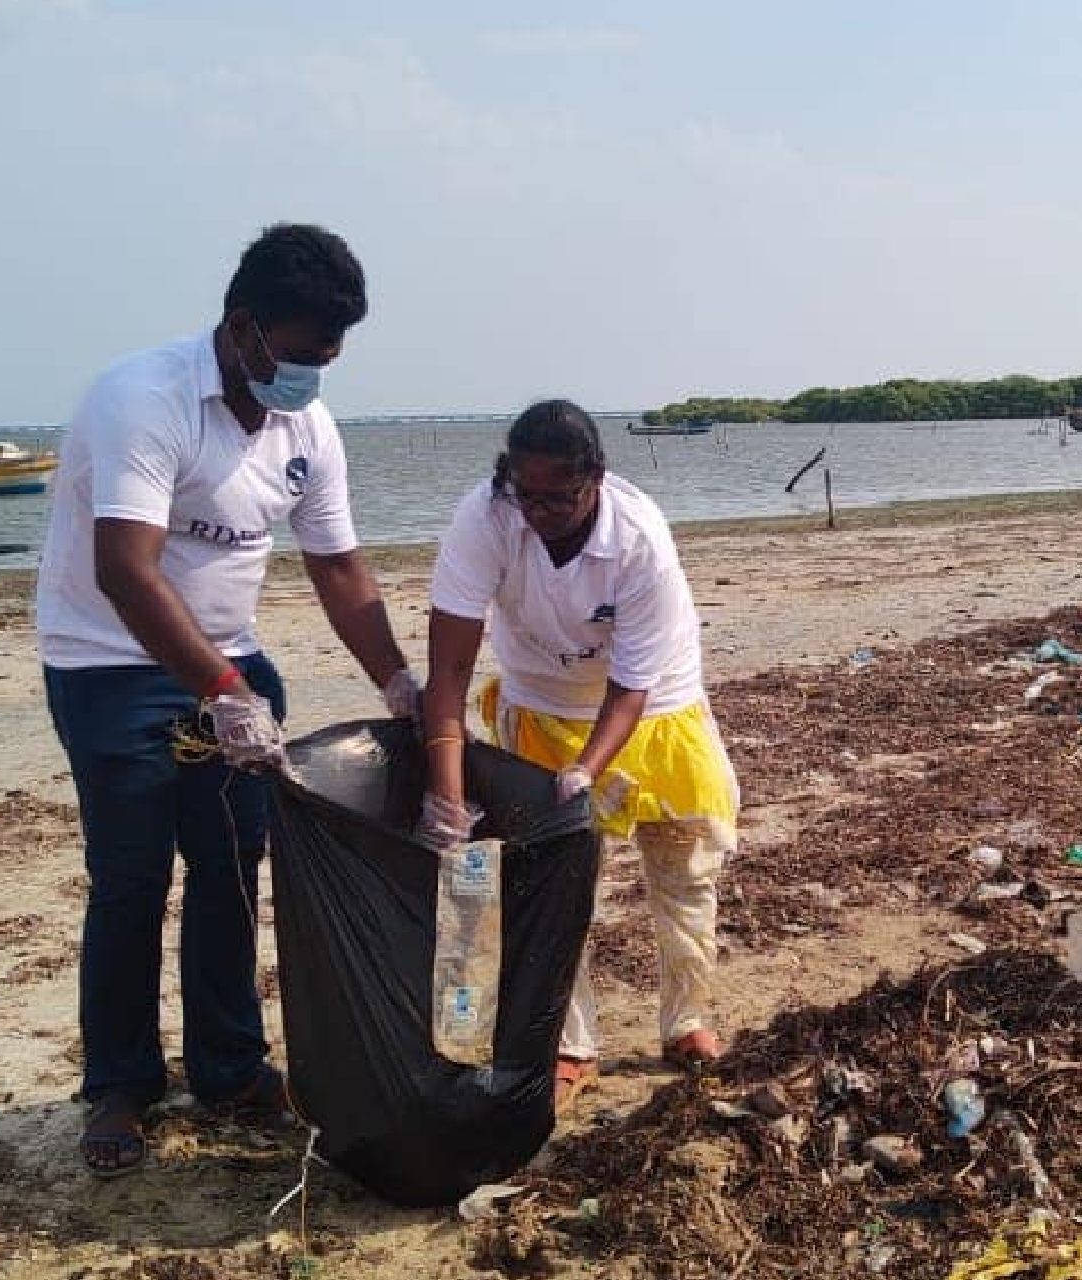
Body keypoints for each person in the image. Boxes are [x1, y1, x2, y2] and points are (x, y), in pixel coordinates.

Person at [36, 223, 420, 1177]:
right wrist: (221, 689)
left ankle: (230, 1067)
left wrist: (399, 679)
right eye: (299, 357)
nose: (311, 378)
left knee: (231, 871)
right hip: (106, 669)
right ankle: (122, 1084)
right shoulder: (144, 398)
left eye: (328, 362)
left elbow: (337, 566)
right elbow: (125, 571)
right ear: (243, 329)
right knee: (131, 879)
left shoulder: (307, 427)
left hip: (233, 666)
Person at [419, 399, 738, 1113]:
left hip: (655, 705)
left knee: (684, 869)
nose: (541, 512)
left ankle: (686, 1021)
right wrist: (446, 793)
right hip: (541, 700)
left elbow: (629, 691)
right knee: (555, 884)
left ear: (595, 478)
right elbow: (447, 674)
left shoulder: (639, 539)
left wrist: (585, 771)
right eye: (527, 496)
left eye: (559, 497)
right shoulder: (486, 519)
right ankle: (571, 1044)